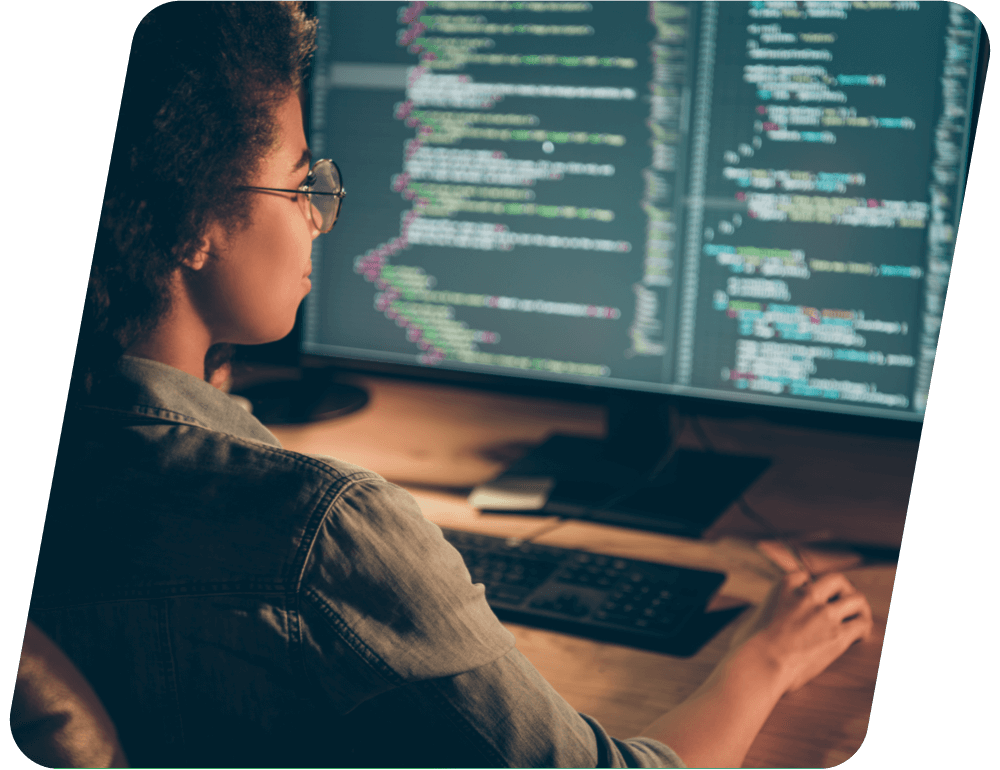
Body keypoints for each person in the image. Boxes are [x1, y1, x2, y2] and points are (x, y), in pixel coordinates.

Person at [24, 3, 873, 767]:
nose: (319, 215)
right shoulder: (324, 531)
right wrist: (766, 658)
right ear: (194, 224)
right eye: (298, 181)